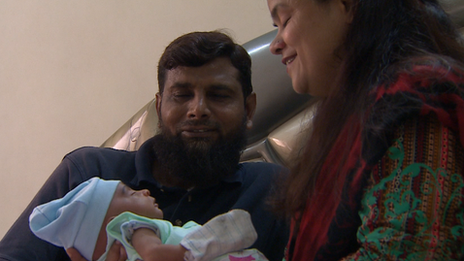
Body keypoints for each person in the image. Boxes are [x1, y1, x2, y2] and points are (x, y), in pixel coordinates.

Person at [0, 31, 289, 261]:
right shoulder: (88, 173)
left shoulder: (272, 191)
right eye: (182, 94)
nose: (198, 109)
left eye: (218, 95)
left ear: (248, 110)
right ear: (160, 106)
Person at [267, 0, 464, 260]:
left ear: (347, 6)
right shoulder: (349, 114)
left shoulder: (413, 95)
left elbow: (409, 250)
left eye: (286, 20)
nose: (275, 45)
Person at [29, 177, 265, 261]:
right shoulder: (131, 228)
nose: (142, 192)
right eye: (129, 193)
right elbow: (155, 256)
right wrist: (204, 244)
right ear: (114, 221)